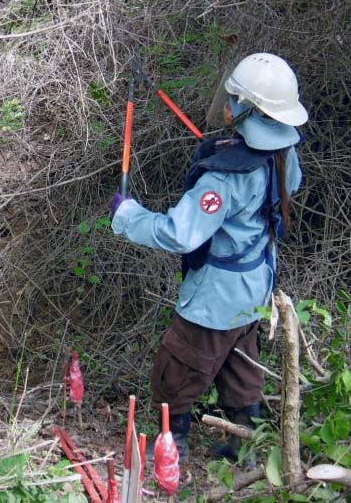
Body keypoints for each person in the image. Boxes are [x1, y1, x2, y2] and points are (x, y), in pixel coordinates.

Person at [109, 53, 306, 463]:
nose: (228, 104)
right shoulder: (285, 156)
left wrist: (127, 216)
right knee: (241, 363)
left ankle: (172, 446)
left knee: (179, 367)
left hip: (214, 297)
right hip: (255, 288)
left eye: (234, 97)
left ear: (249, 109)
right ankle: (245, 447)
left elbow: (181, 233)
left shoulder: (223, 180)